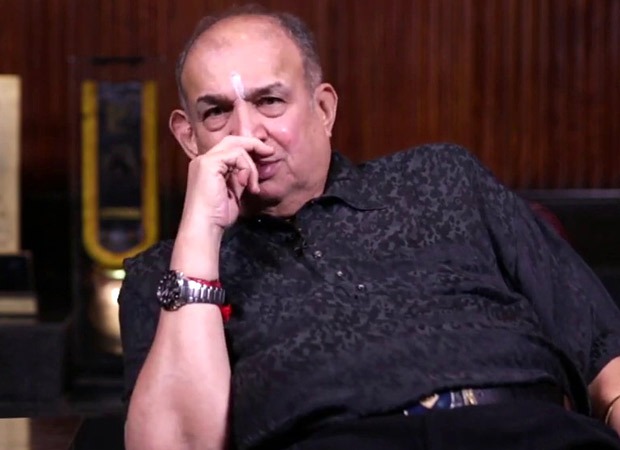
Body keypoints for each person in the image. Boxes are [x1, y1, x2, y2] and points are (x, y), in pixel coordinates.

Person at [118, 5, 620, 450]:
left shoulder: (442, 179)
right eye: (216, 112)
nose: (247, 134)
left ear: (323, 109)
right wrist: (201, 235)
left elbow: (604, 353)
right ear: (189, 138)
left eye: (270, 101)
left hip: (524, 432)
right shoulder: (165, 276)